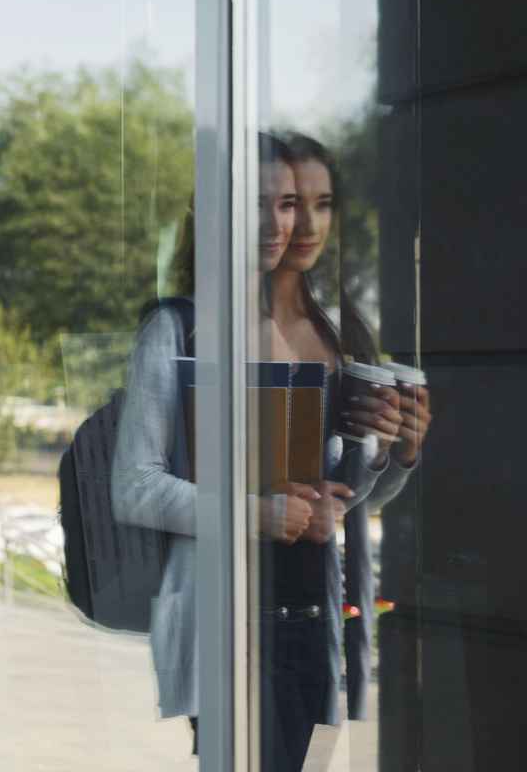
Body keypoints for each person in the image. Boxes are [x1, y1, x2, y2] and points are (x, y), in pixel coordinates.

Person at [113, 133, 314, 756]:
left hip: (307, 624)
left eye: (285, 203)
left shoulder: (306, 329)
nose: (276, 223)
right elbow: (134, 487)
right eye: (255, 202)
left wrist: (396, 452)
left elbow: (338, 493)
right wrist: (259, 514)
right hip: (225, 623)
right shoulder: (175, 329)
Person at [277, 132, 431, 733]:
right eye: (290, 203)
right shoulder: (225, 325)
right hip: (250, 597)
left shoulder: (344, 328)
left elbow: (359, 503)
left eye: (323, 203)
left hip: (326, 599)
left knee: (317, 748)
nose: (309, 224)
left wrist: (403, 450)